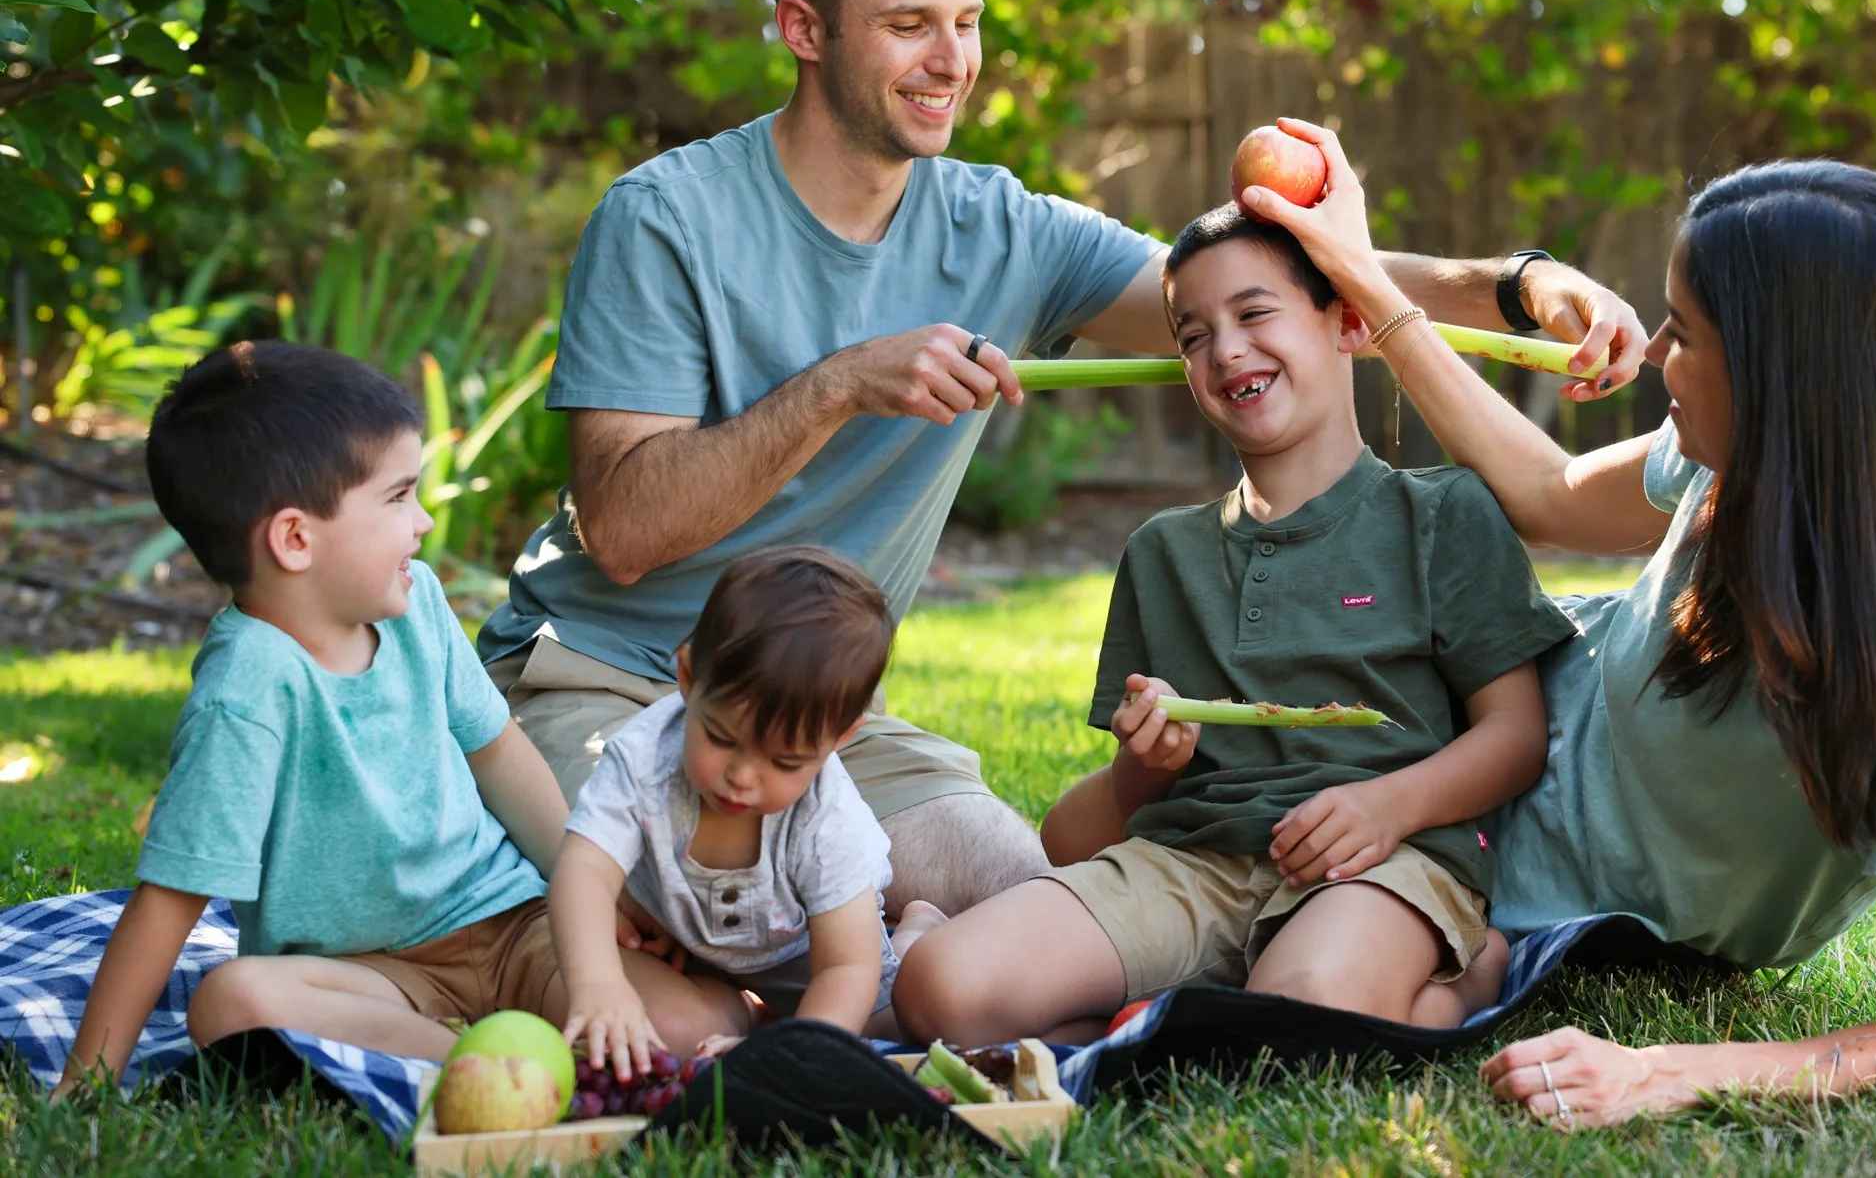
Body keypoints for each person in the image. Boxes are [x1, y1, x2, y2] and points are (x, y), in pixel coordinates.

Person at [475, 0, 1651, 921]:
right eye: (906, 26)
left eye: (965, 22)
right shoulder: (665, 219)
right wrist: (837, 386)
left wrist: (1518, 285)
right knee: (697, 915)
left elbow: (1251, 292)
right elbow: (623, 531)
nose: (951, 61)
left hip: (819, 717)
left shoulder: (999, 227)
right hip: (614, 680)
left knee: (1019, 905)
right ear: (802, 29)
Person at [1222, 120, 1876, 1128]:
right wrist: (1365, 283)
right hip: (1475, 717)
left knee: (1287, 1000)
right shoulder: (1748, 454)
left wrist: (1654, 1071)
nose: (1655, 355)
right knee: (1170, 793)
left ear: (1784, 379)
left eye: (1683, 333)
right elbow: (1545, 492)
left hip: (1495, 857)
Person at [889, 205, 1579, 1045]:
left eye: (1254, 313)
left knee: (1297, 1017)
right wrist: (1145, 765)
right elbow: (1096, 824)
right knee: (940, 986)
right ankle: (1218, 1008)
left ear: (1346, 323)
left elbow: (1515, 735)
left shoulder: (1441, 513)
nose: (1225, 350)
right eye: (1193, 335)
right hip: (1189, 865)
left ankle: (1456, 979)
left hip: (1379, 863)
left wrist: (1386, 807)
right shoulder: (1164, 554)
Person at [56, 342, 620, 1094]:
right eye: (398, 497)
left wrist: (589, 896)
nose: (423, 521)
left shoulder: (417, 601)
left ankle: (513, 1068)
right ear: (296, 538)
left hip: (511, 920)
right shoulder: (247, 693)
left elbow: (498, 753)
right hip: (366, 977)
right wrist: (87, 1079)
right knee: (230, 1002)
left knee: (683, 1017)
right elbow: (171, 897)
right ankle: (488, 1071)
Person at [549, 546, 946, 1077]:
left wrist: (790, 1054)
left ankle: (915, 932)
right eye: (721, 738)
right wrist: (597, 985)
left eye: (783, 762)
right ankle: (748, 1012)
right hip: (683, 934)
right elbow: (583, 869)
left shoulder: (828, 817)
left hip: (805, 951)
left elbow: (846, 967)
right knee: (659, 1031)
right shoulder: (644, 757)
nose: (742, 776)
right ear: (688, 676)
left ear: (839, 737)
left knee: (890, 1025)